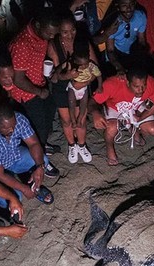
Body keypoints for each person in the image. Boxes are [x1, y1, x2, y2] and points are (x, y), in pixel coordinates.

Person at [0, 104, 60, 203]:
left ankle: (33, 185)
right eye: (6, 128)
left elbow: (34, 143)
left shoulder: (18, 119)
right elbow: (1, 175)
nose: (12, 129)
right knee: (15, 196)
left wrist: (40, 166)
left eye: (13, 125)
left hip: (14, 155)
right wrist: (23, 189)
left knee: (43, 160)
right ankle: (27, 185)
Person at [47, 15, 100, 163]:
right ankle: (72, 145)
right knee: (66, 121)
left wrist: (85, 82)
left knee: (80, 119)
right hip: (62, 87)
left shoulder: (83, 43)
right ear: (59, 31)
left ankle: (81, 145)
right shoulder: (54, 45)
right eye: (65, 32)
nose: (70, 35)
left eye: (73, 30)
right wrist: (68, 75)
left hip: (81, 87)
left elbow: (96, 68)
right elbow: (54, 77)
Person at [9, 10, 61, 155]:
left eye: (53, 34)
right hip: (25, 93)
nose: (51, 37)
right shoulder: (22, 44)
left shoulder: (40, 33)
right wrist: (39, 92)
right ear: (37, 25)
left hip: (39, 83)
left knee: (49, 113)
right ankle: (39, 157)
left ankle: (42, 145)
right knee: (39, 126)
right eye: (49, 33)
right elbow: (18, 80)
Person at [90, 67, 154, 166]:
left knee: (153, 130)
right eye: (136, 86)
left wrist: (141, 117)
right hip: (115, 107)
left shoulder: (150, 82)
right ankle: (109, 147)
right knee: (112, 128)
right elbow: (92, 101)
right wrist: (95, 113)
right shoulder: (112, 84)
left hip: (137, 107)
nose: (141, 90)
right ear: (128, 83)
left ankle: (133, 127)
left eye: (144, 85)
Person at [105, 0, 147, 75]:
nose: (129, 9)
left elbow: (141, 41)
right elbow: (110, 50)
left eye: (131, 4)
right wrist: (119, 67)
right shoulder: (113, 22)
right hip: (116, 54)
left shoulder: (140, 16)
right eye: (124, 5)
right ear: (118, 7)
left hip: (132, 52)